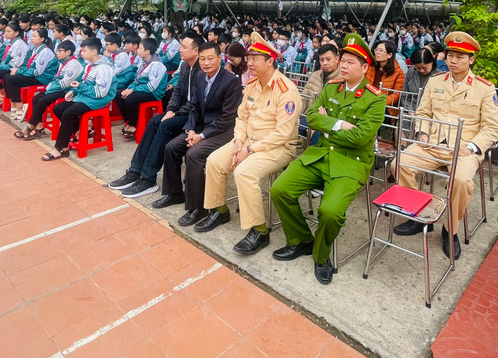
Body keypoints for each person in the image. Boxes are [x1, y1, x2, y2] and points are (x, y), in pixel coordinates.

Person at [270, 34, 386, 284]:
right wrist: (339, 124)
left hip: (350, 163)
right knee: (280, 189)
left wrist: (327, 126)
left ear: (365, 68)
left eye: (350, 62)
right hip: (319, 154)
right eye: (342, 60)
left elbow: (360, 138)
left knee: (330, 212)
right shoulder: (331, 87)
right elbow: (310, 116)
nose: (343, 66)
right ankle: (301, 240)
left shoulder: (375, 98)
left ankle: (320, 255)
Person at [391, 31, 498, 260]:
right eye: (450, 55)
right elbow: (422, 112)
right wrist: (421, 132)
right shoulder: (435, 81)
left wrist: (471, 147)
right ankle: (418, 214)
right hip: (431, 143)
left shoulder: (484, 88)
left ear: (471, 60)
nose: (453, 60)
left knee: (461, 181)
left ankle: (450, 229)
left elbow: (492, 128)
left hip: (463, 148)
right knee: (398, 163)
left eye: (460, 56)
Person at [195, 32, 300, 255]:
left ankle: (259, 230)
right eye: (249, 57)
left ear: (270, 61)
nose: (249, 63)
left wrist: (249, 149)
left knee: (243, 173)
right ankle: (219, 210)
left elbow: (282, 134)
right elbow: (241, 117)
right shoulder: (252, 85)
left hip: (277, 148)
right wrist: (239, 141)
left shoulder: (286, 90)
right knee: (213, 160)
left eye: (255, 58)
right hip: (248, 141)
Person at [109, 32, 204, 197]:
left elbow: (196, 102)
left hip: (195, 116)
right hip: (184, 111)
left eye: (183, 47)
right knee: (154, 122)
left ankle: (148, 178)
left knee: (164, 125)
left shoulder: (202, 70)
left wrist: (175, 113)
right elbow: (178, 92)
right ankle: (135, 171)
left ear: (196, 51)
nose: (179, 50)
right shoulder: (184, 66)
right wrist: (169, 110)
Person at [161, 41, 244, 226]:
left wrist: (202, 136)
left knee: (194, 155)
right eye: (203, 59)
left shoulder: (231, 82)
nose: (206, 63)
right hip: (199, 128)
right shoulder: (199, 76)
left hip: (223, 131)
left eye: (210, 59)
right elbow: (195, 107)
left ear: (220, 59)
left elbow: (227, 118)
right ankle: (174, 193)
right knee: (172, 147)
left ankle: (197, 207)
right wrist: (190, 129)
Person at [42, 37, 116, 161]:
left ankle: (61, 148)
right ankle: (82, 130)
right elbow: (81, 83)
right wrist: (73, 91)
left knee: (68, 113)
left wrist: (80, 87)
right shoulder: (89, 65)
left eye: (84, 50)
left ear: (94, 51)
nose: (81, 53)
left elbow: (100, 93)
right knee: (58, 109)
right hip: (85, 97)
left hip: (98, 100)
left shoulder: (104, 68)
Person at [16, 40, 83, 140]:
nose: (57, 53)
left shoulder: (73, 64)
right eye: (57, 51)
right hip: (58, 88)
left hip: (68, 91)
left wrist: (50, 88)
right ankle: (39, 127)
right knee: (36, 98)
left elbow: (64, 84)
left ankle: (30, 127)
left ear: (68, 52)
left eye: (60, 51)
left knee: (43, 100)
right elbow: (57, 78)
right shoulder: (63, 62)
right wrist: (51, 87)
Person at [114, 37, 168, 137]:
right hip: (143, 89)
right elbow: (137, 81)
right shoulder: (144, 63)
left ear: (147, 51)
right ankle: (129, 121)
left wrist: (132, 90)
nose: (137, 50)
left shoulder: (157, 65)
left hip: (154, 93)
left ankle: (134, 124)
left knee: (130, 99)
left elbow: (152, 87)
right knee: (118, 95)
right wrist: (129, 88)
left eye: (140, 48)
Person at [3, 28, 59, 121]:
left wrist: (18, 71)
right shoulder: (36, 49)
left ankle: (19, 105)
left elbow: (37, 72)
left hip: (43, 78)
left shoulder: (45, 52)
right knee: (7, 76)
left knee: (11, 79)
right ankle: (14, 102)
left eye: (34, 36)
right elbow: (30, 67)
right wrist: (18, 70)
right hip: (35, 75)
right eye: (32, 36)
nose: (31, 38)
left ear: (42, 39)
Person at [403, 46, 445, 111]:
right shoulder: (411, 71)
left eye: (425, 67)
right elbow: (404, 95)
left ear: (432, 62)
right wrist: (410, 110)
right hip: (410, 112)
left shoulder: (439, 75)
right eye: (418, 68)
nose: (421, 70)